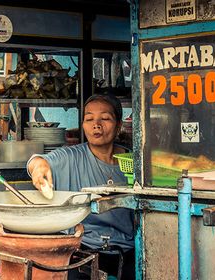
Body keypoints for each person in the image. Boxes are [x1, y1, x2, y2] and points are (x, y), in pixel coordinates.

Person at [27, 93, 135, 279]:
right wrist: (39, 167)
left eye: (105, 118)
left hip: (128, 251)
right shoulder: (71, 157)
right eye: (89, 119)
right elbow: (37, 161)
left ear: (118, 126)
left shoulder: (133, 162)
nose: (96, 124)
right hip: (84, 251)